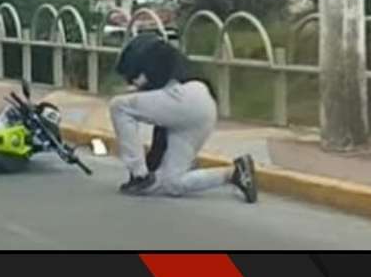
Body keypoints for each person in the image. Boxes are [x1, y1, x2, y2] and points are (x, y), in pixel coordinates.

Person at [108, 30, 258, 201]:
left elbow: (159, 129)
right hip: (206, 110)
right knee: (172, 182)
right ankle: (234, 173)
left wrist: (142, 174)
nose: (133, 84)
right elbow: (162, 127)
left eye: (132, 78)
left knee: (119, 106)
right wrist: (152, 172)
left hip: (190, 96)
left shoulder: (157, 68)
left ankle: (138, 174)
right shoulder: (168, 63)